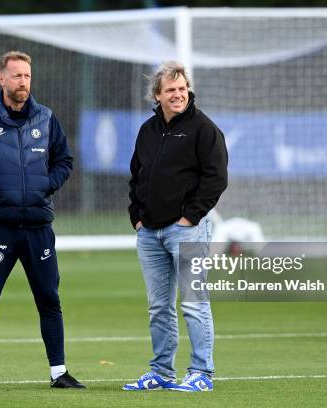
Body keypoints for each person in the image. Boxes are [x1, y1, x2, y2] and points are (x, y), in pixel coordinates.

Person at [0, 51, 83, 389]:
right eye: (16, 75)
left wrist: (44, 185)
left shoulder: (46, 119)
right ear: (1, 79)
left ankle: (59, 373)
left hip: (38, 227)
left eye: (27, 76)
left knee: (49, 299)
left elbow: (64, 159)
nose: (23, 81)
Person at [125, 61, 228, 392]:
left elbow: (216, 179)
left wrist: (190, 217)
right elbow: (136, 176)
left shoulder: (204, 128)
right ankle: (161, 371)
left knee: (194, 302)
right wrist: (137, 217)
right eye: (170, 90)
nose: (178, 94)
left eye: (182, 88)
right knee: (159, 307)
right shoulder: (147, 131)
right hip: (149, 233)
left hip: (187, 230)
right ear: (157, 95)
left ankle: (202, 373)